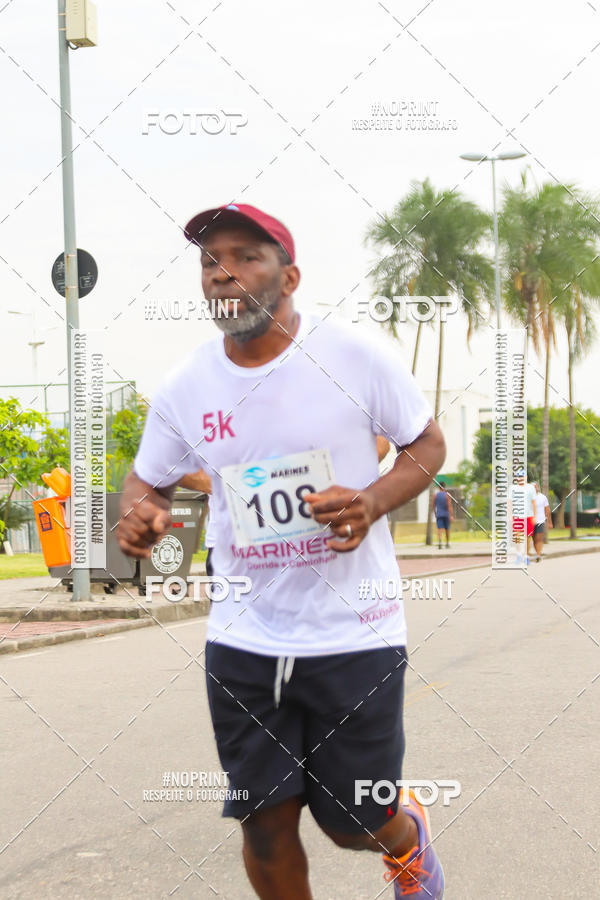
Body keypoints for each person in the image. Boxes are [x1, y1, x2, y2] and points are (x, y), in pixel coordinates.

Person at [117, 203, 447, 899]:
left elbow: (426, 444)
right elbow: (146, 478)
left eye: (245, 257)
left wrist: (371, 502)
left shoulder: (353, 358)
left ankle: (403, 834)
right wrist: (139, 512)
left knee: (353, 821)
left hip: (355, 633)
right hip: (244, 635)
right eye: (210, 261)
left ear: (288, 275)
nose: (222, 273)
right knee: (264, 821)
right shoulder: (186, 385)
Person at [510, 470, 536, 564]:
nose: (520, 478)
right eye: (519, 476)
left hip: (528, 515)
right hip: (517, 515)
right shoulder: (512, 488)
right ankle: (519, 555)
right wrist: (510, 515)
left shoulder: (531, 487)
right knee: (517, 535)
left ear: (526, 477)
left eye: (522, 476)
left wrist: (535, 516)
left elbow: (533, 503)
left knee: (528, 536)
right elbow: (510, 502)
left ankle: (526, 556)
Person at [532, 482, 552, 561]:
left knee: (539, 538)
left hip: (540, 521)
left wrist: (550, 522)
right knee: (534, 539)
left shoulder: (543, 497)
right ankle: (537, 552)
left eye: (535, 487)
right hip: (531, 521)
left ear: (538, 488)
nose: (534, 488)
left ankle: (538, 555)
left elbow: (547, 510)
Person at [432, 481, 453, 549]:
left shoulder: (435, 495)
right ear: (444, 487)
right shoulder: (447, 495)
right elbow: (449, 505)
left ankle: (440, 542)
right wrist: (451, 515)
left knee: (439, 529)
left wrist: (435, 513)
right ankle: (447, 543)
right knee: (447, 529)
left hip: (439, 514)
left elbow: (433, 505)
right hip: (446, 514)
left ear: (439, 487)